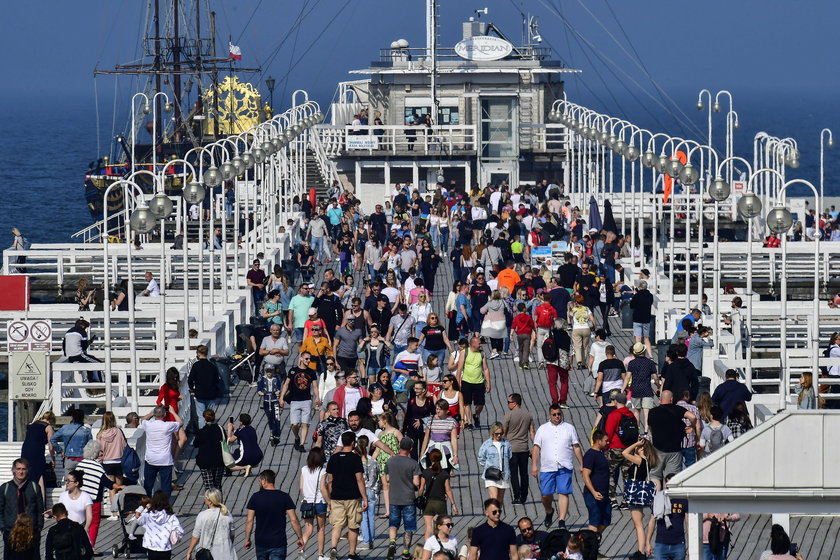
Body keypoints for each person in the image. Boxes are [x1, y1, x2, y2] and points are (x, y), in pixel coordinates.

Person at [532, 405, 582, 529]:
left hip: (564, 466)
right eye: (554, 414)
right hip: (547, 467)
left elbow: (576, 446)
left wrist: (582, 464)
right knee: (545, 493)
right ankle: (549, 511)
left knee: (563, 492)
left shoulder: (569, 428)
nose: (557, 417)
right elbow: (536, 447)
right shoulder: (542, 429)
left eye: (559, 414)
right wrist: (534, 465)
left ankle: (562, 520)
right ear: (550, 415)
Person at [325, 432, 368, 560]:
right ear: (353, 443)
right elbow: (359, 479)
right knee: (353, 525)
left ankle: (333, 548)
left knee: (337, 524)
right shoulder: (355, 458)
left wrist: (330, 497)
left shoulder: (334, 458)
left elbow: (330, 480)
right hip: (352, 496)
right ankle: (351, 553)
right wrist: (364, 497)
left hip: (336, 496)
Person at [245, 469, 303, 559]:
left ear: (264, 480)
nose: (259, 483)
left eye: (259, 480)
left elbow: (249, 521)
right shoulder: (284, 497)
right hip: (278, 542)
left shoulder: (255, 497)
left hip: (261, 542)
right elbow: (294, 520)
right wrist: (300, 537)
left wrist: (247, 539)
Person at [648, 391, 698, 484]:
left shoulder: (652, 412)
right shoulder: (677, 409)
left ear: (660, 399)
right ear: (671, 399)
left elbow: (650, 428)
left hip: (657, 449)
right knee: (671, 477)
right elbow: (693, 417)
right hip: (674, 450)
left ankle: (656, 497)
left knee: (655, 476)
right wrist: (692, 427)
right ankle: (669, 498)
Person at [385, 437, 421, 560]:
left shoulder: (390, 461)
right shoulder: (413, 463)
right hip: (408, 499)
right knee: (409, 527)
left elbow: (388, 479)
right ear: (410, 449)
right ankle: (405, 552)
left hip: (394, 498)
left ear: (399, 446)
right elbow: (416, 482)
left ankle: (392, 542)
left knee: (393, 524)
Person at [75, 440, 116, 549]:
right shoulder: (98, 467)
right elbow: (107, 483)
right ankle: (90, 547)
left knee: (80, 522)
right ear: (96, 453)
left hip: (79, 498)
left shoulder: (80, 465)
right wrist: (118, 486)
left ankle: (79, 545)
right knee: (93, 524)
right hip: (93, 500)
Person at [0, 459, 45, 558]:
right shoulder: (5, 488)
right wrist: (3, 528)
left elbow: (40, 509)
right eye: (18, 469)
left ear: (28, 470)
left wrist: (39, 527)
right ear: (13, 470)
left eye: (24, 469)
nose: (21, 472)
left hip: (31, 532)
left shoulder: (34, 487)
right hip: (10, 532)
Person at [140, 406, 185, 499]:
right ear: (164, 414)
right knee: (166, 485)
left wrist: (152, 413)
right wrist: (172, 412)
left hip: (151, 459)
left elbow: (142, 419)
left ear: (155, 415)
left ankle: (147, 505)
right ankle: (164, 506)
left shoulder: (148, 425)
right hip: (165, 460)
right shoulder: (168, 426)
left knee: (148, 485)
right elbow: (180, 422)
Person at [281, 353, 321, 452]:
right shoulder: (293, 370)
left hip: (307, 400)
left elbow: (315, 386)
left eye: (309, 359)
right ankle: (296, 438)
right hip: (295, 400)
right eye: (306, 359)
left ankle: (302, 444)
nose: (308, 361)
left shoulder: (311, 372)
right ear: (301, 359)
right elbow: (286, 384)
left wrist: (317, 397)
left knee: (305, 423)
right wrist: (281, 397)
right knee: (294, 424)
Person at [186, 488, 237, 560]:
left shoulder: (202, 515)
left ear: (209, 501)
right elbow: (232, 534)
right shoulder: (227, 513)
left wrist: (189, 551)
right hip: (227, 553)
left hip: (209, 554)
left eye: (205, 498)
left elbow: (196, 535)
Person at [503, 394, 535, 505]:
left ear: (515, 403)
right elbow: (532, 432)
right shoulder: (528, 415)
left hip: (512, 449)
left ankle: (517, 496)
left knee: (514, 473)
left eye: (509, 402)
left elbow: (504, 432)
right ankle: (524, 496)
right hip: (524, 448)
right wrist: (534, 446)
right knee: (524, 473)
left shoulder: (509, 415)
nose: (507, 404)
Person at [299, 447, 329, 559]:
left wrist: (306, 496)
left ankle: (301, 551)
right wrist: (329, 502)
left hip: (307, 502)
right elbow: (322, 488)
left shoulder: (304, 469)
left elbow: (301, 488)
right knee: (321, 529)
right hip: (320, 502)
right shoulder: (323, 470)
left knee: (308, 529)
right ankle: (321, 555)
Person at [457, 336, 491, 430]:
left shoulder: (482, 353)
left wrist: (488, 383)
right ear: (473, 344)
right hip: (466, 381)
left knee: (481, 403)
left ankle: (476, 415)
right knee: (467, 403)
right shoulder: (464, 353)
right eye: (479, 343)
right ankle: (470, 422)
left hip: (479, 381)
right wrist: (458, 382)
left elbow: (486, 369)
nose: (480, 345)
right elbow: (459, 369)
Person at [581, 430, 611, 537]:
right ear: (598, 441)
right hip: (593, 494)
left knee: (606, 520)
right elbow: (585, 475)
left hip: (604, 493)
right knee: (595, 520)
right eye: (605, 441)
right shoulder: (590, 455)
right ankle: (591, 548)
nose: (607, 443)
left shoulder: (601, 453)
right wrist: (593, 492)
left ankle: (592, 542)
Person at [21, 411, 55, 503]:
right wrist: (53, 459)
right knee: (40, 477)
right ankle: (42, 505)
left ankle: (25, 503)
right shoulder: (48, 427)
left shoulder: (32, 425)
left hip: (25, 450)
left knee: (27, 476)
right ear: (50, 420)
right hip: (37, 452)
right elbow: (51, 447)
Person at [624, 342, 659, 432]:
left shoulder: (632, 363)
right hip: (647, 389)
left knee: (636, 411)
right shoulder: (650, 363)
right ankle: (646, 432)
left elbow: (627, 377)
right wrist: (658, 385)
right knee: (647, 412)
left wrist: (622, 388)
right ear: (644, 351)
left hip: (635, 389)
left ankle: (637, 431)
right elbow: (655, 378)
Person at [188, 345, 222, 429]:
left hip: (199, 393)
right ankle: (210, 431)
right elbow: (217, 380)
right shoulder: (212, 366)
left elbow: (190, 379)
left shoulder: (196, 365)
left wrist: (192, 388)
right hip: (211, 394)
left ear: (198, 354)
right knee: (210, 415)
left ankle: (203, 433)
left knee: (201, 416)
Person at [193, 409, 226, 492]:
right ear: (214, 417)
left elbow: (195, 444)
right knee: (217, 485)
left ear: (204, 418)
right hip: (219, 460)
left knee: (208, 487)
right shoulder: (220, 429)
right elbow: (225, 441)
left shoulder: (201, 432)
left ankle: (211, 504)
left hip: (205, 462)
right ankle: (219, 503)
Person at [479, 422, 512, 504]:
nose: (499, 436)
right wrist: (488, 467)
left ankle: (497, 516)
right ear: (492, 433)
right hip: (491, 475)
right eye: (496, 434)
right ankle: (492, 515)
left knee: (500, 501)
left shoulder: (506, 444)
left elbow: (510, 456)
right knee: (494, 499)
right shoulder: (487, 444)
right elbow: (481, 458)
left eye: (501, 434)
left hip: (503, 475)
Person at [569, 294, 595, 370]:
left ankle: (579, 362)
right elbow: (592, 319)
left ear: (576, 302)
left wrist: (570, 308)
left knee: (577, 346)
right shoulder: (586, 309)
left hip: (576, 329)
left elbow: (569, 316)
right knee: (585, 347)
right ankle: (584, 363)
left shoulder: (574, 309)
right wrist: (595, 327)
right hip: (586, 328)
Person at [630, 281, 655, 357]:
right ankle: (650, 356)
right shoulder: (650, 296)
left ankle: (638, 355)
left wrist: (635, 294)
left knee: (638, 338)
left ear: (640, 287)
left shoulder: (637, 295)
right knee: (646, 338)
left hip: (637, 319)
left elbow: (632, 305)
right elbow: (650, 303)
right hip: (646, 319)